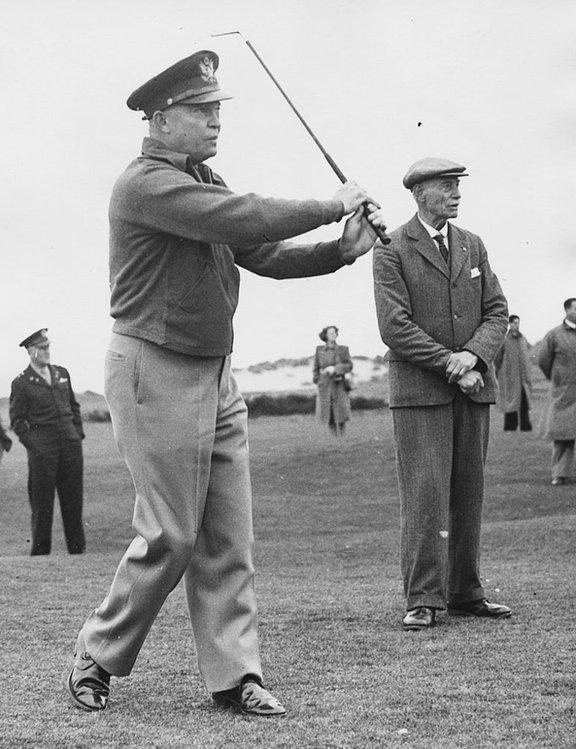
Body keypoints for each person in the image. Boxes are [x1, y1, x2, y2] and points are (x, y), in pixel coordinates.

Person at [68, 49, 386, 716]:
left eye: (218, 110)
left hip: (215, 370)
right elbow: (244, 217)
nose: (216, 121)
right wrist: (332, 204)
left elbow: (259, 250)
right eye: (202, 111)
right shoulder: (146, 185)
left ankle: (235, 673)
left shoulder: (201, 175)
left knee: (227, 535)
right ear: (158, 120)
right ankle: (97, 652)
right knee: (172, 533)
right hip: (152, 368)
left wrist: (339, 249)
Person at [373, 157, 511, 630]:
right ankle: (423, 597)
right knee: (426, 495)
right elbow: (394, 327)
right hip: (420, 394)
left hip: (473, 388)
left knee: (468, 493)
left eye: (457, 186)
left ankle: (466, 592)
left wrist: (472, 357)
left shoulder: (472, 244)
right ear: (418, 193)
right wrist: (452, 366)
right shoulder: (390, 247)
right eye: (446, 186)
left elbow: (496, 312)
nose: (456, 193)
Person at [9, 329, 85, 556]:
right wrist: (37, 446)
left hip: (70, 448)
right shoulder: (21, 383)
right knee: (42, 506)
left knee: (73, 503)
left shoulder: (62, 373)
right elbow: (18, 421)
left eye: (48, 347)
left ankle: (77, 553)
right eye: (43, 348)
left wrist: (77, 434)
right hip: (43, 453)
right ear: (31, 352)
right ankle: (41, 556)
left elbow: (74, 406)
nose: (47, 352)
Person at [537, 298, 576, 485]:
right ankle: (560, 474)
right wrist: (558, 379)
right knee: (563, 435)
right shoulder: (554, 335)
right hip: (564, 393)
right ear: (567, 310)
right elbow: (544, 361)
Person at [494, 315, 533, 431]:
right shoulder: (504, 340)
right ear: (510, 324)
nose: (517, 325)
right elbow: (497, 358)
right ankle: (510, 426)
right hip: (509, 377)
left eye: (518, 323)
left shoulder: (523, 339)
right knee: (510, 402)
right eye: (515, 323)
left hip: (522, 378)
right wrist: (499, 373)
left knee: (524, 402)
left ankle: (526, 426)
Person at [313, 325, 353, 436]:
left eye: (335, 332)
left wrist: (335, 369)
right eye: (330, 333)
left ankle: (342, 437)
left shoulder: (343, 349)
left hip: (339, 384)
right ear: (325, 335)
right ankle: (334, 438)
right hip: (325, 385)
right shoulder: (319, 350)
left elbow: (349, 365)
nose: (333, 334)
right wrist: (318, 380)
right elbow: (315, 368)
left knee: (341, 412)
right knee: (328, 412)